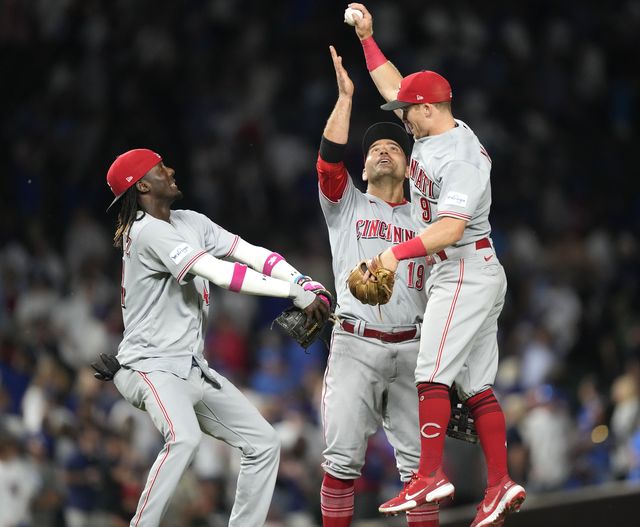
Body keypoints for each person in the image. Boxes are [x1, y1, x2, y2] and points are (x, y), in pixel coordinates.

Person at [346, 5, 526, 527]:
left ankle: (430, 476)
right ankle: (498, 485)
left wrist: (389, 254)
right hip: (470, 269)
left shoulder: (460, 158)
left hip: (463, 266)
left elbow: (448, 230)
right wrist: (368, 39)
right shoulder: (432, 128)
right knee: (476, 386)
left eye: (407, 110)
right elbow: (395, 83)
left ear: (427, 110)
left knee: (430, 375)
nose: (400, 114)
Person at [102, 147, 331, 526]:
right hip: (150, 367)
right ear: (142, 184)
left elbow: (248, 253)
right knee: (184, 438)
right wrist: (292, 293)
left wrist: (299, 279)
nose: (171, 169)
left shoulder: (188, 221)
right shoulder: (146, 232)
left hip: (191, 368)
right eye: (160, 168)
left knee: (263, 443)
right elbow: (222, 274)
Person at [316, 45, 437, 527]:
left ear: (409, 168)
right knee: (341, 464)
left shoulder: (428, 216)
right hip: (355, 344)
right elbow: (327, 161)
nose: (383, 149)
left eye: (393, 147)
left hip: (415, 347)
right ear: (362, 169)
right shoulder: (346, 204)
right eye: (373, 150)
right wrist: (346, 96)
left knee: (421, 474)